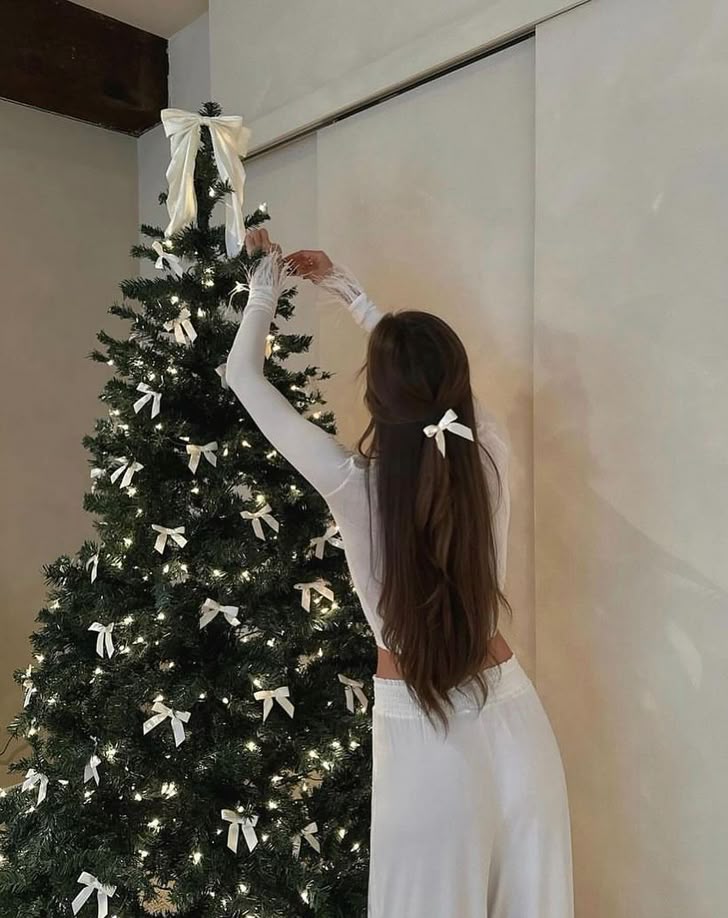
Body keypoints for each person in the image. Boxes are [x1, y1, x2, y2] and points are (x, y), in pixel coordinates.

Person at [225, 227, 574, 918]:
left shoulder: (353, 483)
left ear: (377, 396)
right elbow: (431, 383)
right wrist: (351, 293)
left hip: (421, 734)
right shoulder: (491, 456)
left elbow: (241, 377)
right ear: (459, 383)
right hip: (516, 720)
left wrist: (265, 285)